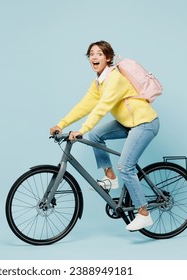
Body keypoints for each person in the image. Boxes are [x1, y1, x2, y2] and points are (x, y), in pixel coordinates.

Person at [49, 40, 160, 231]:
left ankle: (143, 213)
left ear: (108, 58)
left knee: (126, 167)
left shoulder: (115, 78)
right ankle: (111, 178)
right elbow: (85, 105)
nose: (94, 56)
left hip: (145, 123)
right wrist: (62, 124)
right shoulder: (98, 83)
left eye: (99, 53)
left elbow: (103, 107)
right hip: (128, 123)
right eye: (91, 53)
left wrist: (81, 129)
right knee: (96, 135)